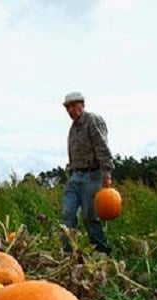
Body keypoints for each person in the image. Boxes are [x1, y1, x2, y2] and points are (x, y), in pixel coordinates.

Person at [60, 92, 114, 255]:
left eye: (73, 106)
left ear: (82, 105)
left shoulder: (92, 121)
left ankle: (101, 253)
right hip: (76, 176)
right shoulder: (73, 128)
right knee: (67, 213)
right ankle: (67, 252)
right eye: (67, 107)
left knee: (90, 216)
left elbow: (102, 147)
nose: (70, 110)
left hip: (93, 175)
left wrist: (107, 174)